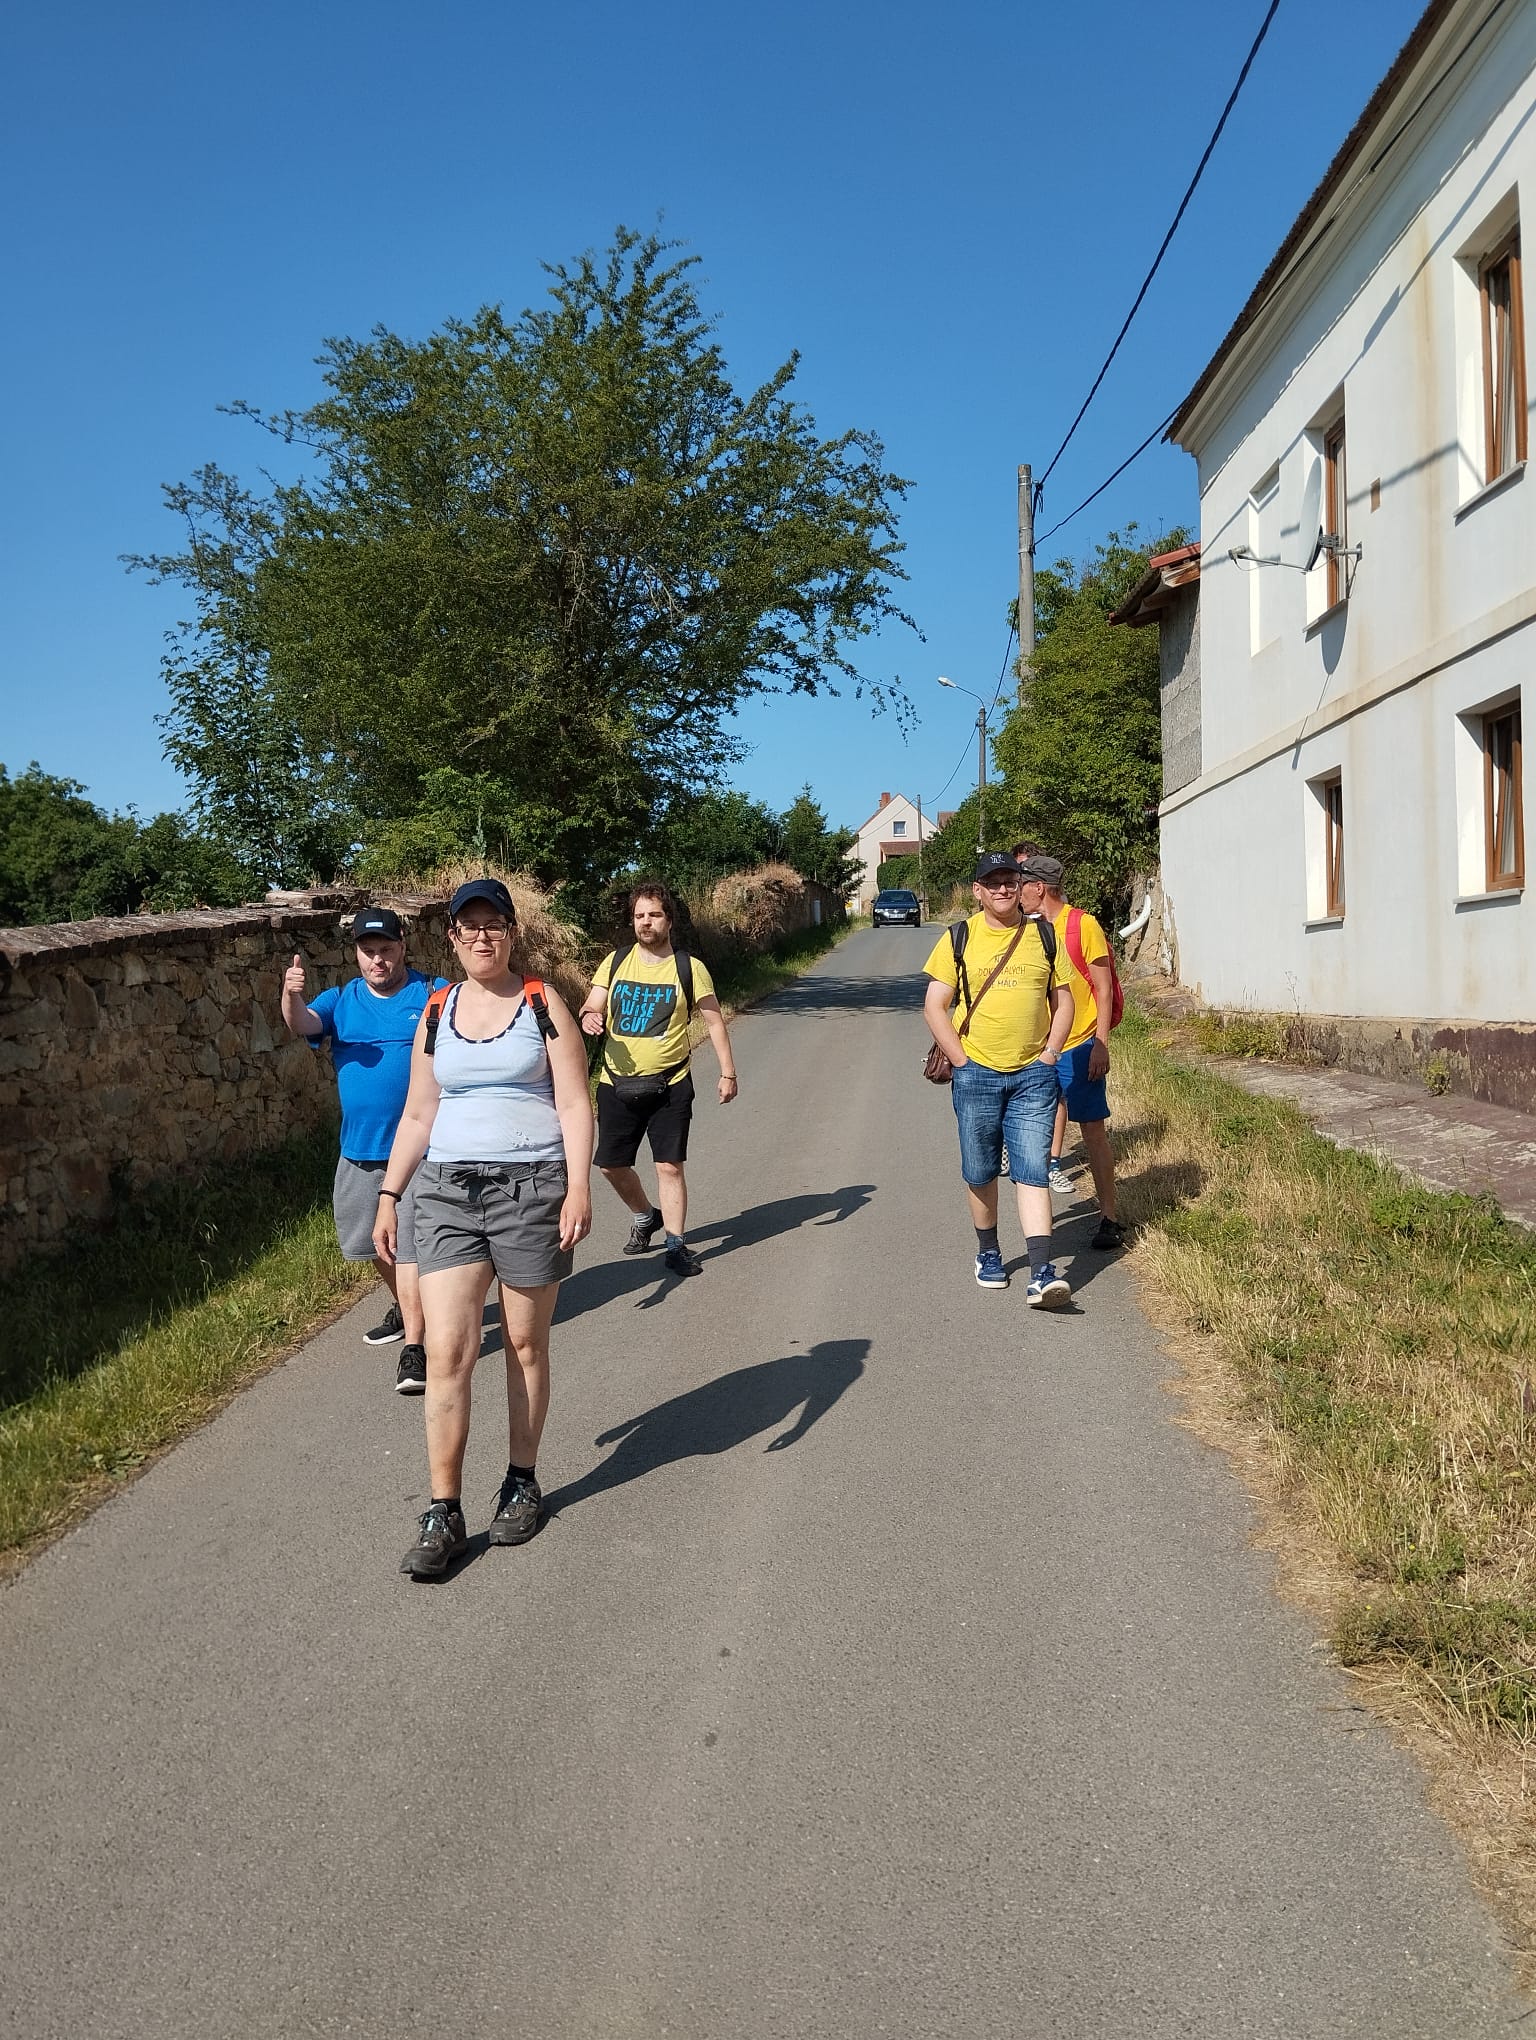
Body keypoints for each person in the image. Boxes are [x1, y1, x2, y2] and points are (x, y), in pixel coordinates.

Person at [374, 877, 594, 1580]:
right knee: (448, 1351)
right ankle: (444, 1511)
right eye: (467, 926)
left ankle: (521, 1480)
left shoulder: (541, 1002)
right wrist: (390, 1194)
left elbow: (574, 1103)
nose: (480, 936)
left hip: (531, 1188)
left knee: (525, 1344)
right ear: (452, 936)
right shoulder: (437, 1008)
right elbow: (419, 1112)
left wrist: (579, 1186)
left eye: (492, 924)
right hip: (447, 1191)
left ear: (510, 931)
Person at [281, 906, 448, 1395]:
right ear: (357, 953)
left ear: (402, 947)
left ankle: (415, 1348)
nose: (378, 959)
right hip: (358, 1150)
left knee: (410, 1247)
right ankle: (409, 1307)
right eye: (368, 950)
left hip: (419, 1152)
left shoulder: (433, 993)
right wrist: (290, 995)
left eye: (386, 949)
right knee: (372, 1244)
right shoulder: (342, 1000)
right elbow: (303, 1024)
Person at [923, 851, 1075, 1305]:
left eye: (1010, 881)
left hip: (1034, 1075)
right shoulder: (959, 937)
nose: (1004, 889)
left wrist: (1050, 1054)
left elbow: (1064, 1001)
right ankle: (988, 1252)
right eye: (993, 883)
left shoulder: (1043, 935)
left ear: (1022, 886)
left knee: (1032, 1170)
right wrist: (962, 1061)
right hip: (977, 1074)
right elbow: (935, 1005)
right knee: (981, 1170)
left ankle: (1042, 1272)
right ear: (978, 891)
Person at [579, 880, 739, 1278]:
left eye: (654, 915)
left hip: (670, 1084)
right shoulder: (616, 961)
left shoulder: (689, 968)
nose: (645, 922)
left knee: (669, 1167)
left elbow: (714, 1021)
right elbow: (591, 1004)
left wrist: (727, 1072)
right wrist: (590, 1016)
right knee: (610, 1165)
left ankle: (675, 1244)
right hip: (615, 1082)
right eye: (639, 916)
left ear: (669, 920)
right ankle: (645, 1215)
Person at [1018, 852, 1123, 1250]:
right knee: (1034, 1132)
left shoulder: (1082, 925)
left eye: (1021, 884)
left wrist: (1101, 1045)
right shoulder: (1027, 928)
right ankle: (1040, 1226)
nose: (1015, 891)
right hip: (1040, 1049)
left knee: (1092, 1131)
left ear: (1038, 887)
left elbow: (1103, 989)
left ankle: (1109, 1218)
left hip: (1080, 1044)